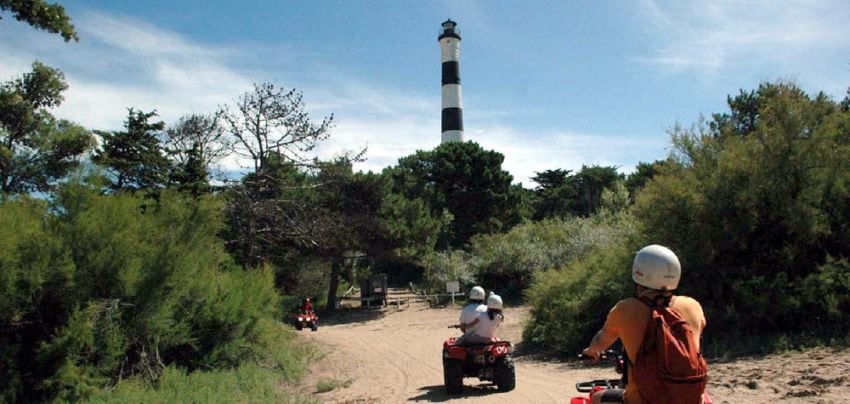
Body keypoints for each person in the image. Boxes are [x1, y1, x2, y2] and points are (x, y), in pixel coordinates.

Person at [581, 245, 707, 404]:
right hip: (690, 399)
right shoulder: (693, 306)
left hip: (641, 400)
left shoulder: (625, 309)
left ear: (638, 274)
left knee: (596, 397)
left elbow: (602, 339)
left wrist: (591, 351)